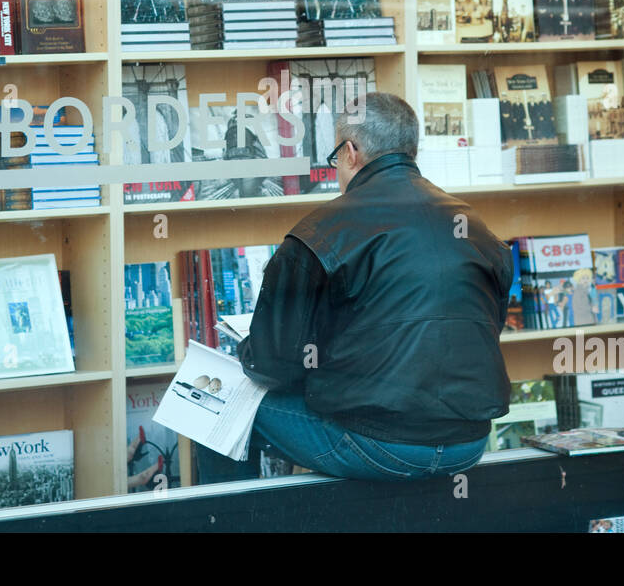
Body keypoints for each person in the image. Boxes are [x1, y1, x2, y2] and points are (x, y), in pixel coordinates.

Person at [196, 92, 513, 482]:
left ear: (350, 152)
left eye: (335, 160)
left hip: (378, 444)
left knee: (211, 402)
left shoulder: (320, 232)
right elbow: (480, 329)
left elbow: (271, 365)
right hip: (469, 442)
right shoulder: (477, 229)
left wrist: (256, 348)